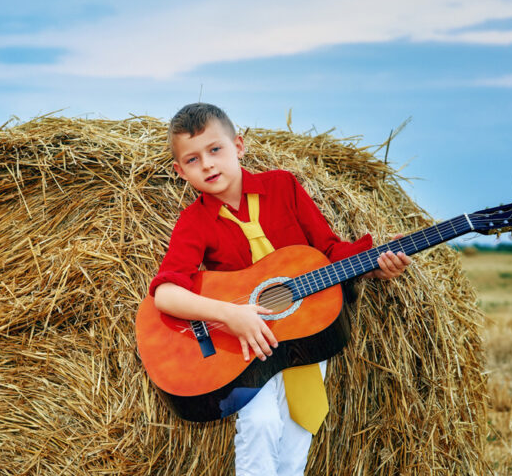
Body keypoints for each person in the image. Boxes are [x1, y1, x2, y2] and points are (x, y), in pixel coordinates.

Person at [149, 102, 411, 476]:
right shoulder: (195, 223)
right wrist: (231, 314)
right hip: (244, 346)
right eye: (192, 159)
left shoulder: (283, 186)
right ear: (180, 171)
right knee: (260, 424)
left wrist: (376, 263)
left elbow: (330, 253)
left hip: (304, 329)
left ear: (238, 146)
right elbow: (165, 294)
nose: (207, 164)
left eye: (215, 150)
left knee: (296, 438)